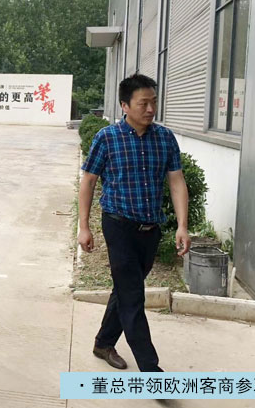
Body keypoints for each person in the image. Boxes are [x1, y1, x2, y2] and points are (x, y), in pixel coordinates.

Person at [78, 73, 190, 372]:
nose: (151, 109)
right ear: (125, 105)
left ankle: (103, 342)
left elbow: (177, 181)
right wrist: (84, 226)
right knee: (132, 297)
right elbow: (88, 181)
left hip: (150, 229)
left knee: (126, 288)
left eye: (154, 102)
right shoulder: (107, 138)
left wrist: (182, 225)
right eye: (143, 103)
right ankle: (151, 370)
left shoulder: (164, 138)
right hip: (118, 226)